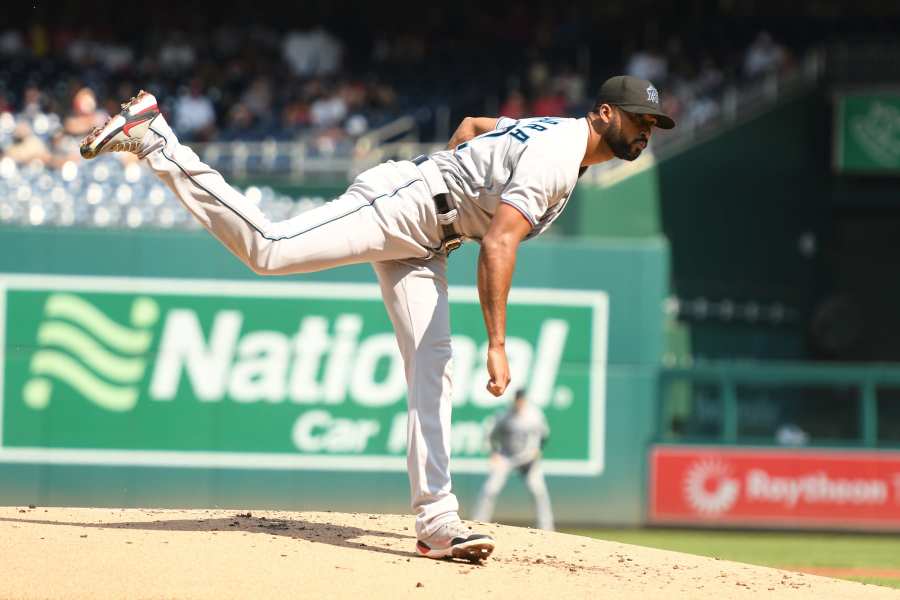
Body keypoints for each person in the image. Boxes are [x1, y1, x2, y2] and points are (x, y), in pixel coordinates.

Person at [79, 74, 675, 562]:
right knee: (270, 250)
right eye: (639, 119)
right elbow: (499, 244)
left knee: (434, 366)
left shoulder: (559, 137)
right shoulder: (557, 154)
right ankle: (157, 138)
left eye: (652, 124)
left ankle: (438, 521)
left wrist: (455, 179)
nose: (646, 131)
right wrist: (497, 341)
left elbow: (472, 128)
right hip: (406, 205)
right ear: (603, 113)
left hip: (428, 235)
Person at [473, 389, 555, 530]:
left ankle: (547, 529)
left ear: (525, 400)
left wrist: (539, 450)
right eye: (517, 399)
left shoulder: (535, 415)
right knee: (490, 489)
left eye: (522, 399)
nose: (519, 402)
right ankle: (478, 524)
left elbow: (545, 435)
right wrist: (494, 452)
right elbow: (490, 434)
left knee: (539, 492)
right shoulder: (505, 414)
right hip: (507, 457)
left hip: (529, 458)